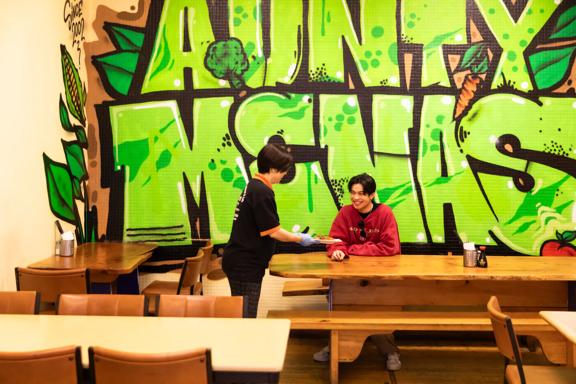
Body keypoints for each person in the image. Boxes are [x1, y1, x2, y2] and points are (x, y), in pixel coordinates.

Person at [313, 173, 402, 371]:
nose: (355, 198)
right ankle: (335, 347)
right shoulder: (345, 213)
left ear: (372, 195)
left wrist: (350, 249)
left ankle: (390, 350)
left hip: (379, 278)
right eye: (352, 193)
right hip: (348, 278)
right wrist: (337, 251)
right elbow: (335, 241)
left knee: (380, 312)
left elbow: (390, 247)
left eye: (361, 194)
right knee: (340, 307)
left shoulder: (385, 213)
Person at [222, 143, 319, 318]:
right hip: (245, 265)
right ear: (273, 169)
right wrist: (299, 238)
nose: (285, 174)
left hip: (240, 261)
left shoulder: (254, 186)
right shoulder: (261, 191)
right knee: (246, 317)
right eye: (284, 170)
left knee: (241, 314)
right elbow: (274, 231)